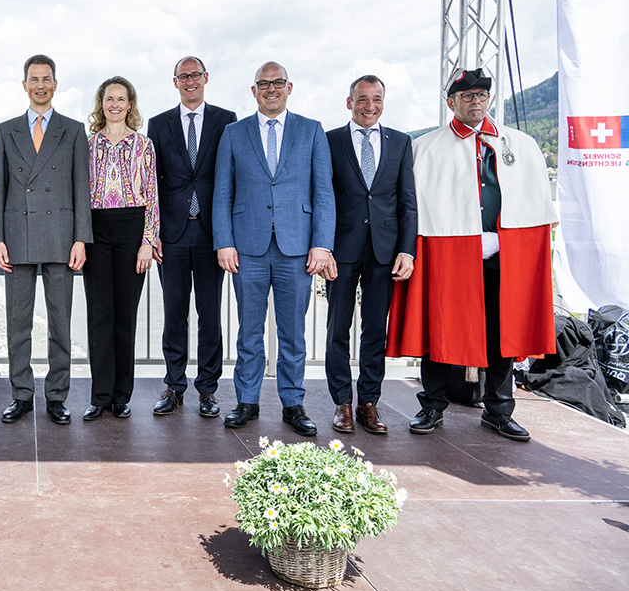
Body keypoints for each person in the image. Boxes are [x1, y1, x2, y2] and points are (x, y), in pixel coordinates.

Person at [387, 68, 555, 441]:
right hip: (448, 252)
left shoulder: (520, 144)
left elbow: (539, 209)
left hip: (504, 255)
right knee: (441, 325)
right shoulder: (427, 147)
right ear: (452, 102)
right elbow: (412, 206)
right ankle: (432, 404)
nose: (475, 101)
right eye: (467, 96)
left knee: (502, 332)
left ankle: (498, 410)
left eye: (481, 95)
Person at [213, 61, 334, 437]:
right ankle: (246, 402)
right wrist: (224, 242)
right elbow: (222, 194)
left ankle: (293, 403)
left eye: (277, 83)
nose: (271, 89)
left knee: (293, 332)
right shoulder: (234, 133)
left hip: (297, 249)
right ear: (253, 91)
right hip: (246, 248)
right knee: (248, 330)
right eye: (263, 84)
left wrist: (322, 245)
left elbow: (324, 193)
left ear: (289, 87)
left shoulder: (312, 131)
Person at [0, 54, 92, 425]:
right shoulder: (6, 130)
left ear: (55, 83)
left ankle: (56, 396)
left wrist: (81, 238)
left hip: (61, 239)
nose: (40, 85)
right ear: (24, 85)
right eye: (33, 79)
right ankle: (20, 395)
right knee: (18, 324)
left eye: (46, 78)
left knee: (59, 323)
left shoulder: (73, 129)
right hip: (16, 238)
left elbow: (82, 187)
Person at [322, 75, 417, 434]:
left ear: (383, 102)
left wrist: (407, 251)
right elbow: (323, 197)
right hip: (341, 250)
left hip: (385, 251)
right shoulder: (330, 141)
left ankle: (368, 403)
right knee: (337, 328)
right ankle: (342, 403)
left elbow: (408, 203)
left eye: (376, 99)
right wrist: (324, 247)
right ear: (349, 103)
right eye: (362, 99)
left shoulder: (401, 143)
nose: (370, 106)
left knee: (376, 330)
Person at [147, 56, 237, 417]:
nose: (190, 81)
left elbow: (231, 177)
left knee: (210, 313)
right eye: (183, 76)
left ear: (206, 78)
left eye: (195, 75)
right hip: (171, 234)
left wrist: (228, 234)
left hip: (211, 232)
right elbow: (150, 184)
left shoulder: (226, 121)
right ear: (175, 82)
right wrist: (151, 234)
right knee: (173, 313)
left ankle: (208, 389)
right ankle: (174, 385)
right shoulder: (159, 123)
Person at [80, 77, 159, 421]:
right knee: (100, 317)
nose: (115, 104)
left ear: (130, 104)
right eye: (109, 98)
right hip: (96, 228)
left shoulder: (144, 145)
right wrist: (79, 238)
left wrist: (147, 242)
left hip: (131, 227)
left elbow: (153, 196)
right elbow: (79, 196)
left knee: (125, 316)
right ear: (101, 104)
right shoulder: (86, 145)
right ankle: (100, 396)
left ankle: (122, 396)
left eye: (121, 99)